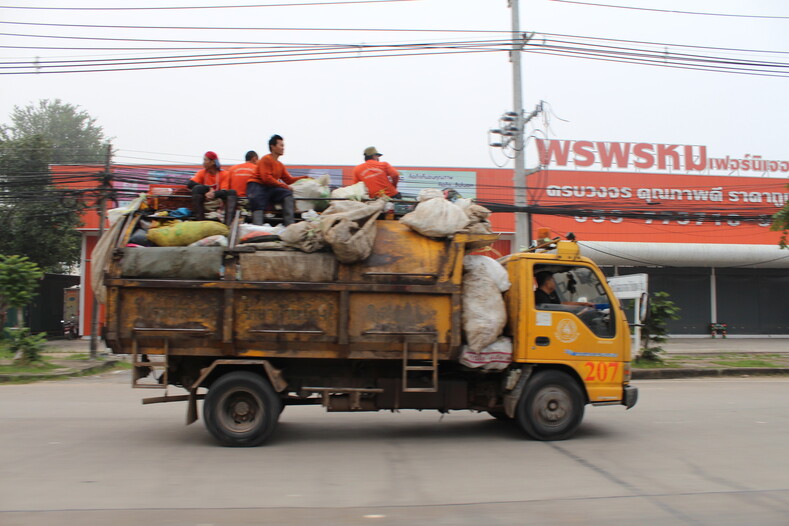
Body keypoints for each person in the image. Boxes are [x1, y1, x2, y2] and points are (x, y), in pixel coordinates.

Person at [247, 135, 308, 226]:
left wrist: (304, 178)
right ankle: (258, 228)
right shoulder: (266, 159)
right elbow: (266, 179)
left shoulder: (280, 165)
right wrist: (284, 186)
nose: (283, 148)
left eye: (283, 146)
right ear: (273, 146)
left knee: (287, 194)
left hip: (269, 187)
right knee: (258, 201)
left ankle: (289, 225)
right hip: (257, 185)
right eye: (281, 145)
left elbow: (288, 180)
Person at [186, 151, 228, 221]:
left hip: (217, 202)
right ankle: (199, 219)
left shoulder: (224, 174)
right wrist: (208, 188)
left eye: (205, 160)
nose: (203, 163)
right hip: (204, 201)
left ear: (213, 162)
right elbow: (190, 184)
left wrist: (213, 193)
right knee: (197, 188)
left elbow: (224, 191)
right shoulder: (202, 172)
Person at [218, 151, 259, 223]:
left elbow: (224, 189)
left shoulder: (232, 169)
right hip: (250, 205)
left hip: (233, 205)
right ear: (255, 159)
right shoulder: (258, 169)